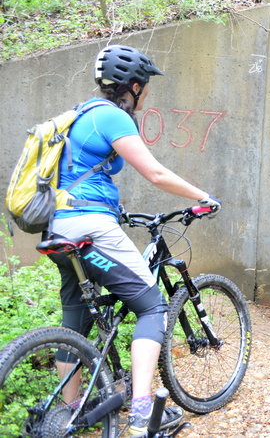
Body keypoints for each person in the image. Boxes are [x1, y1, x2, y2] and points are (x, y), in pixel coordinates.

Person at [47, 44, 220, 436]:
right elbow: (155, 173)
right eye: (147, 88)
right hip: (88, 229)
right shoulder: (111, 117)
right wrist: (202, 197)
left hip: (58, 229)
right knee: (152, 306)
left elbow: (81, 174)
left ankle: (69, 412)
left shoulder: (79, 114)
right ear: (136, 86)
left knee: (74, 320)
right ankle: (143, 412)